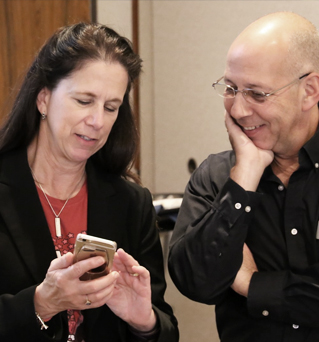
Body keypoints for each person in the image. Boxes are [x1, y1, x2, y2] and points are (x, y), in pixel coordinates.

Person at [0, 22, 178, 342]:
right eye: (84, 101)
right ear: (43, 98)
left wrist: (144, 320)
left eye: (111, 107)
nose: (97, 122)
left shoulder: (131, 203)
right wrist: (41, 304)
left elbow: (165, 330)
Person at [168, 11, 319, 342]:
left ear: (309, 91)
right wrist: (245, 177)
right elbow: (195, 283)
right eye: (231, 88)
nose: (237, 109)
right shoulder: (217, 175)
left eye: (257, 93)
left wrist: (253, 285)